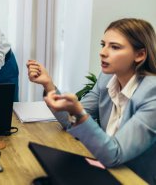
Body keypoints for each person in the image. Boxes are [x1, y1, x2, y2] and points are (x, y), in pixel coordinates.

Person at [27, 18, 156, 184]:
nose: (103, 52)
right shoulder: (106, 79)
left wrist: (78, 113)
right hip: (104, 167)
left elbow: (114, 154)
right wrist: (48, 84)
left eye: (114, 47)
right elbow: (70, 121)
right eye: (103, 45)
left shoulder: (152, 93)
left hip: (134, 178)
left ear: (140, 55)